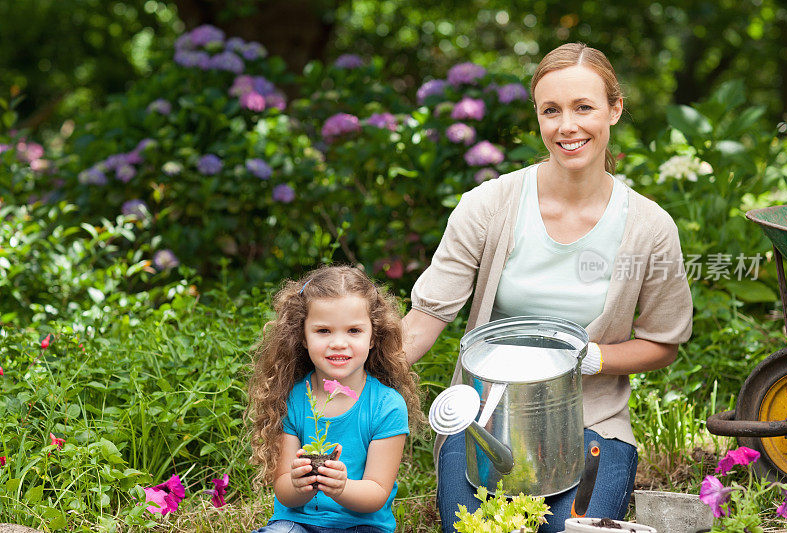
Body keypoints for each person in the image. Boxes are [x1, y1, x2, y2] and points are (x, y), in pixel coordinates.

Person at [402, 43, 693, 533]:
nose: (567, 126)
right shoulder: (488, 206)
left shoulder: (649, 226)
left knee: (569, 530)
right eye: (551, 110)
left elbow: (664, 343)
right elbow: (424, 321)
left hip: (591, 422)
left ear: (614, 109)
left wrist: (589, 357)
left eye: (584, 107)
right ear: (537, 116)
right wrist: (347, 381)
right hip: (487, 420)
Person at [248, 265, 424, 533]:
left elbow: (376, 492)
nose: (338, 343)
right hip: (297, 523)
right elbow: (284, 490)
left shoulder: (386, 406)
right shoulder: (293, 398)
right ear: (303, 337)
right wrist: (299, 484)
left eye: (354, 330)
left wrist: (342, 487)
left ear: (373, 336)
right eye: (323, 331)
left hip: (362, 525)